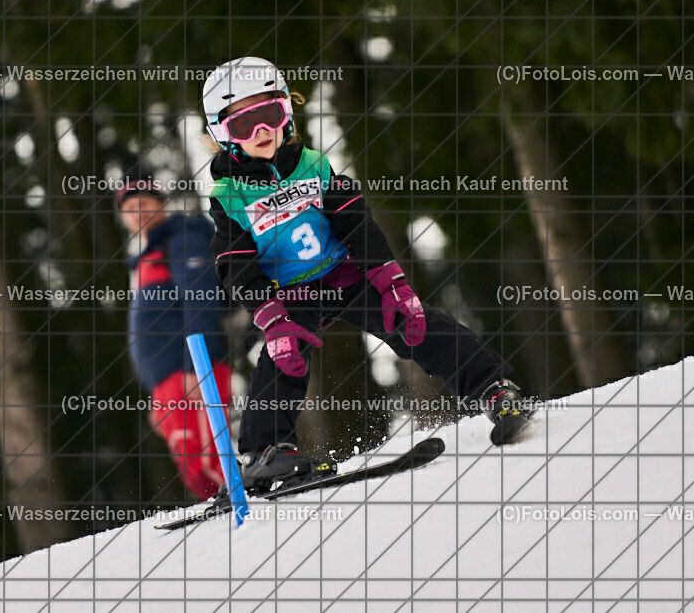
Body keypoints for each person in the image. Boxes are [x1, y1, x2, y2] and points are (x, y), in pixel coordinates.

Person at [201, 56, 522, 494]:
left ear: (287, 112)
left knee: (415, 323)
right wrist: (269, 314)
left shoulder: (314, 167)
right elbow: (235, 262)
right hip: (289, 297)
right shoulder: (229, 197)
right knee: (282, 354)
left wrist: (390, 281)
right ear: (223, 134)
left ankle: (493, 388)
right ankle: (266, 451)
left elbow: (355, 221)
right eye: (246, 125)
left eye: (271, 116)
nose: (264, 133)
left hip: (341, 276)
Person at [116, 167, 232, 500]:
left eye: (143, 203)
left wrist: (199, 368)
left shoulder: (183, 236)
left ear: (161, 204)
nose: (137, 213)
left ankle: (257, 509)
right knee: (194, 471)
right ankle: (234, 534)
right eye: (128, 209)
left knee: (210, 463)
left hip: (193, 370)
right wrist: (155, 393)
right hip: (166, 383)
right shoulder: (142, 259)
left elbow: (201, 299)